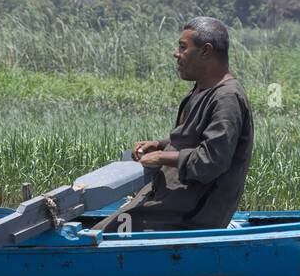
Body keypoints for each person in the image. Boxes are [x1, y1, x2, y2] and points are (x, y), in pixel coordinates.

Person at [98, 17, 253, 232]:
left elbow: (212, 160)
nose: (176, 53)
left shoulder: (227, 99)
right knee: (105, 226)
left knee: (103, 234)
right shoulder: (202, 89)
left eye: (182, 47)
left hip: (191, 214)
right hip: (171, 198)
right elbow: (194, 137)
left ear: (205, 51)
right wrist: (160, 144)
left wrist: (162, 157)